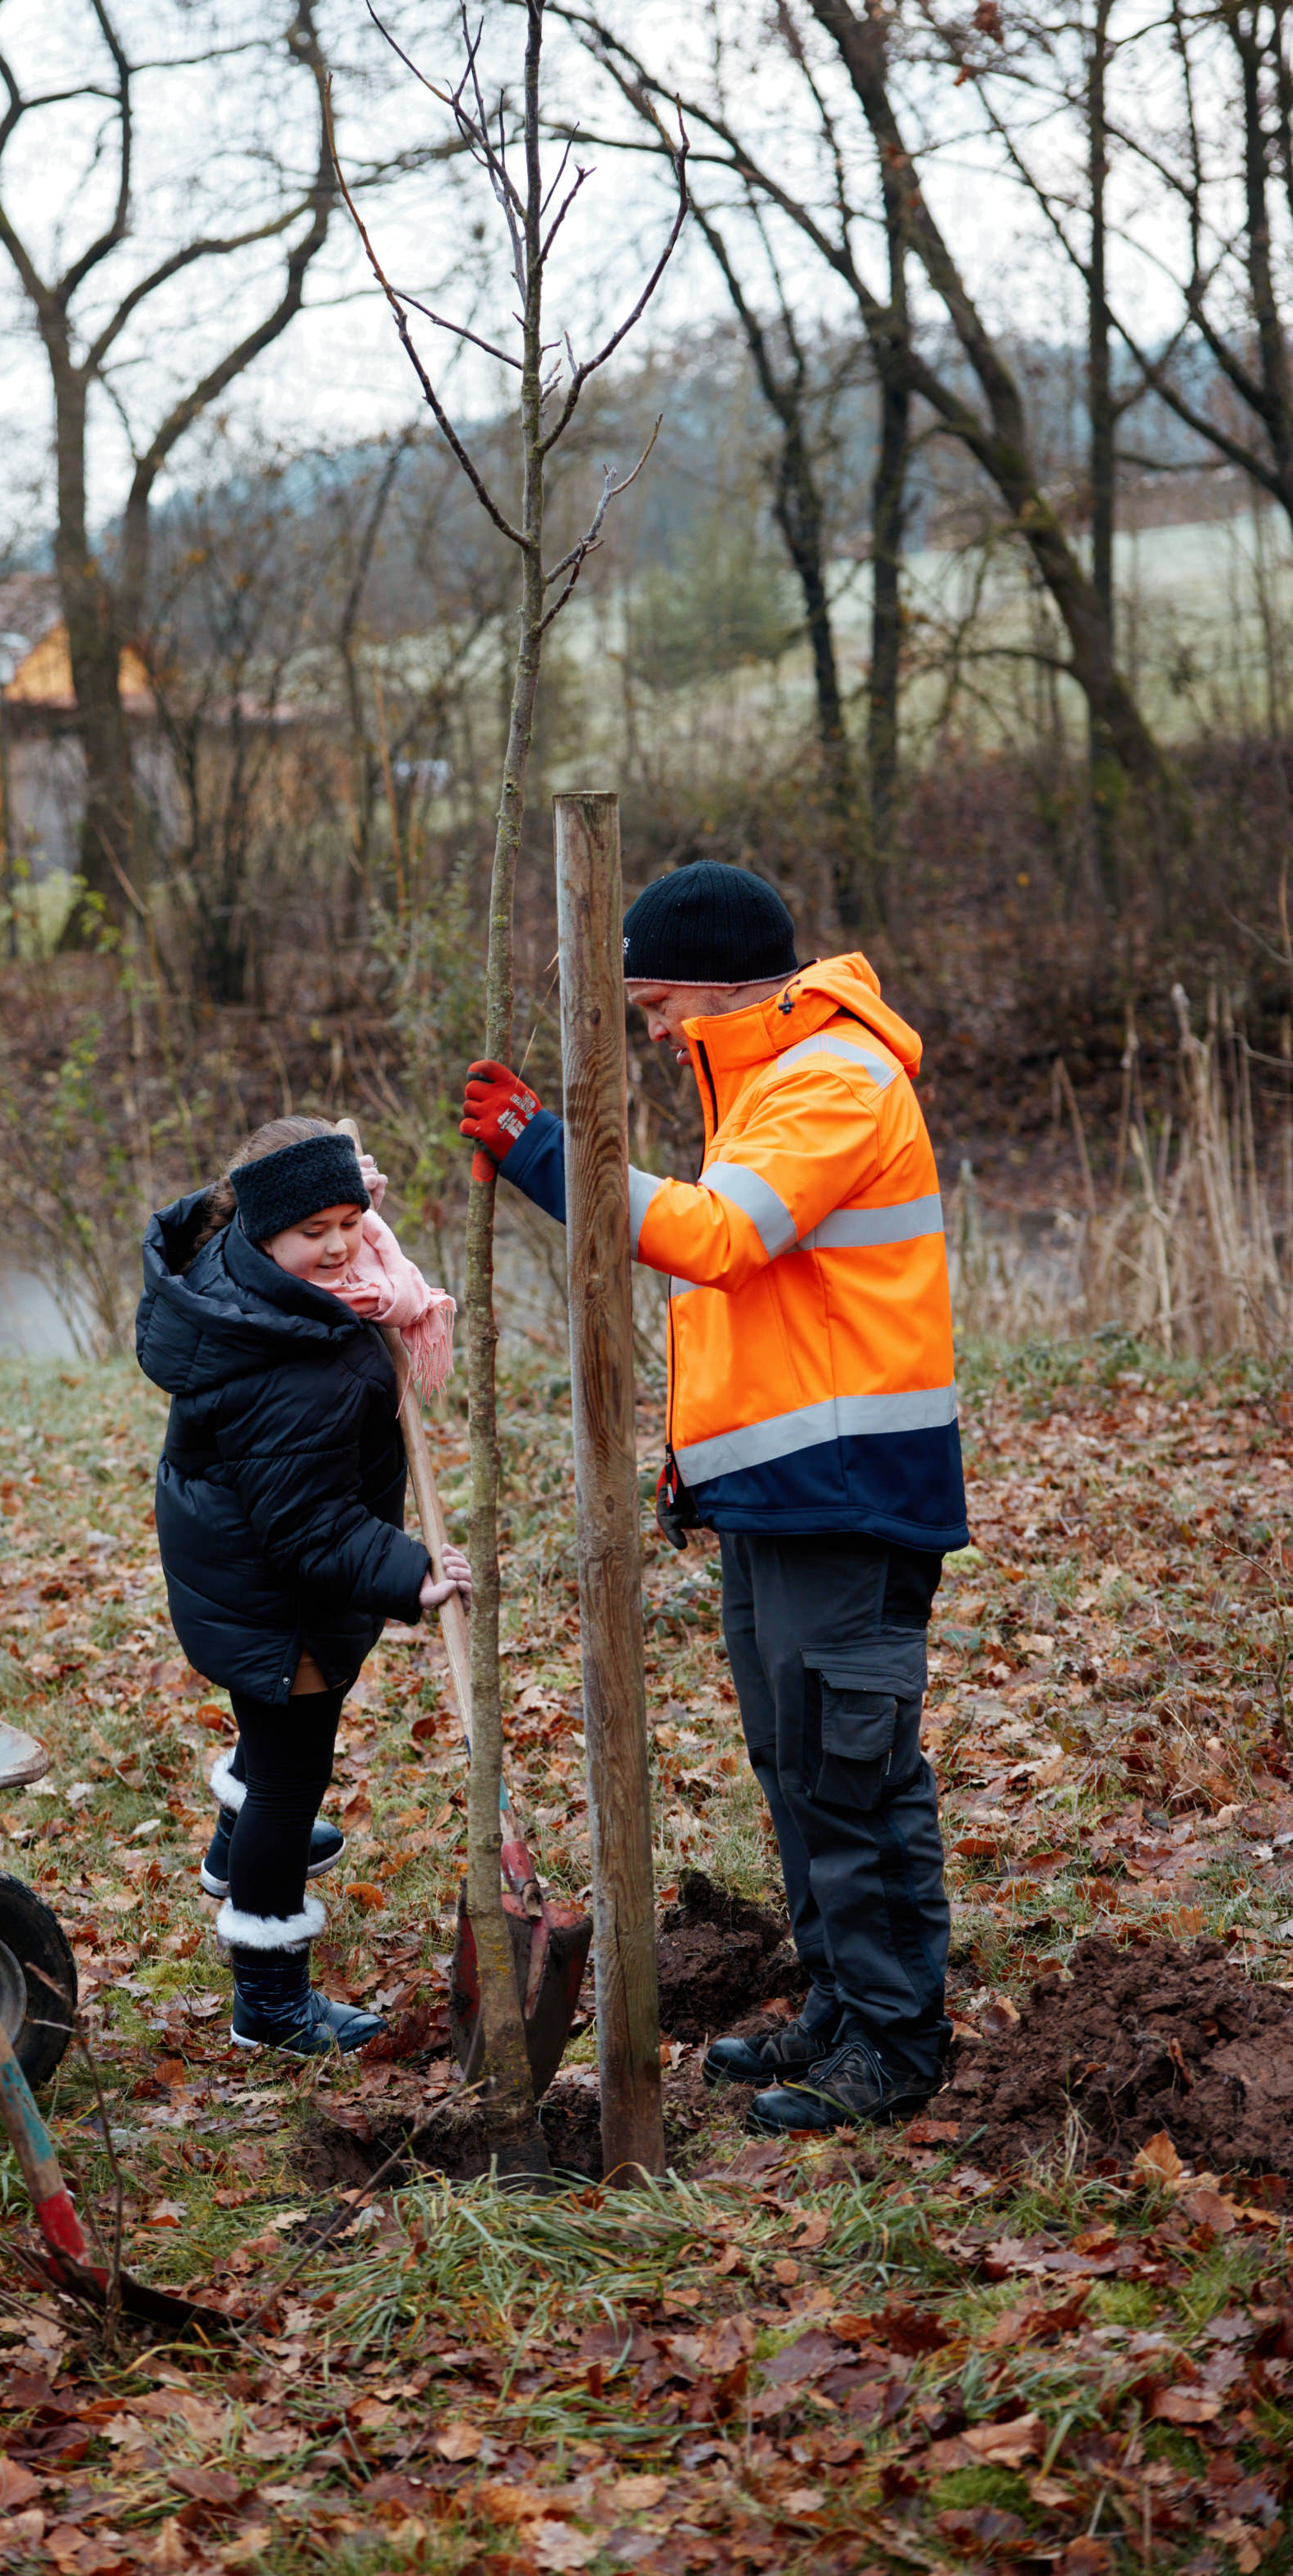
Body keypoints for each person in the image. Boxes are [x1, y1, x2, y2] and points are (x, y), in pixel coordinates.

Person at [460, 860, 965, 2133]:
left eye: (652, 1002)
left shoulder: (831, 1082)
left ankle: (895, 2047)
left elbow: (716, 1239)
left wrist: (543, 1158)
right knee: (794, 1762)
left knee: (850, 1771)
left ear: (712, 987)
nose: (645, 1028)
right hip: (780, 1497)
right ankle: (842, 2007)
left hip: (847, 1497)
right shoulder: (764, 1086)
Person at [136, 1118, 469, 2055]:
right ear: (263, 1232)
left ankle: (226, 1852)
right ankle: (271, 2002)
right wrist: (414, 1573)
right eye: (310, 1230)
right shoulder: (297, 1360)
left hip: (238, 1576)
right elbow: (310, 1530)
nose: (336, 1245)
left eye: (349, 1219)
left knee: (270, 1741)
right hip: (280, 1603)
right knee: (291, 1778)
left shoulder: (262, 1292)